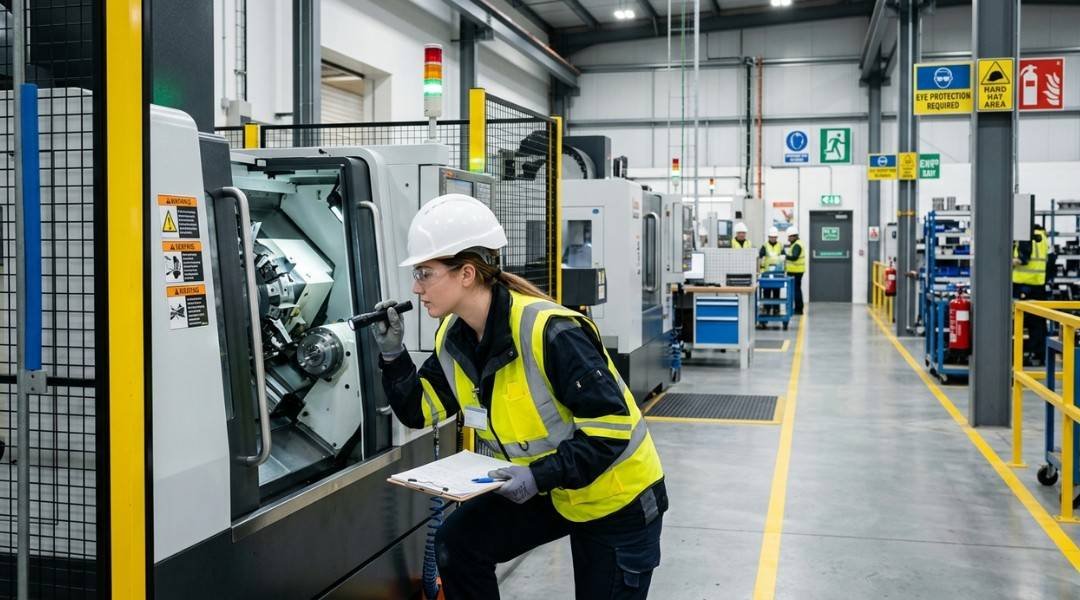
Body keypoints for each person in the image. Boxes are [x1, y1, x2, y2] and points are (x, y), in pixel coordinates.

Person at [372, 194, 668, 599]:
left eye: (425, 273)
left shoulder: (550, 332)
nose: (415, 287)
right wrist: (393, 357)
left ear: (466, 273)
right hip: (551, 488)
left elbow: (611, 430)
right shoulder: (454, 339)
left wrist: (537, 476)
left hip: (616, 496)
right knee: (458, 544)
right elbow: (420, 411)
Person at [1013, 223, 1049, 365]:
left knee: (1022, 322)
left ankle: (1025, 354)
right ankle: (1038, 355)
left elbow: (1022, 259)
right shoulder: (1043, 238)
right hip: (1039, 285)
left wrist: (1003, 262)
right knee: (1038, 323)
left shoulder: (1026, 236)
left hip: (1024, 285)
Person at [759, 227, 785, 315]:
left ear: (776, 237)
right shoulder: (765, 245)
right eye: (771, 237)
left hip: (777, 272)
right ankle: (767, 309)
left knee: (776, 291)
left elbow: (784, 257)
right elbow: (760, 256)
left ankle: (776, 309)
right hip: (767, 272)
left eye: (774, 237)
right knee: (766, 291)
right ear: (769, 237)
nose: (773, 238)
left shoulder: (780, 245)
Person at [785, 226, 806, 315]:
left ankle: (799, 309)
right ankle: (798, 308)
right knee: (796, 290)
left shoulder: (797, 245)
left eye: (789, 236)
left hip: (796, 271)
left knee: (796, 290)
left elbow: (794, 257)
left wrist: (785, 256)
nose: (788, 238)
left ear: (794, 236)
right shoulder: (796, 244)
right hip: (796, 271)